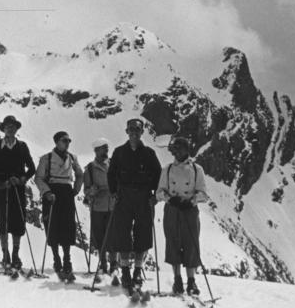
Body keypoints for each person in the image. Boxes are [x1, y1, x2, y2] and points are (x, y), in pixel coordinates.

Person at [106, 118, 162, 291]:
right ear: (127, 131)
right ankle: (125, 271)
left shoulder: (149, 154)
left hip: (144, 197)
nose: (134, 133)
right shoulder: (119, 152)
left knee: (143, 232)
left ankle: (137, 270)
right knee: (122, 232)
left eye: (137, 129)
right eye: (131, 129)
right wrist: (114, 192)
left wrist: (155, 196)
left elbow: (158, 175)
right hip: (124, 196)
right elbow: (111, 174)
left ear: (142, 132)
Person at [0, 115, 37, 271]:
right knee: (2, 221)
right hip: (2, 189)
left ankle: (15, 255)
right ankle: (6, 255)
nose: (10, 128)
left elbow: (31, 168)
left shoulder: (22, 147)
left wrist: (22, 179)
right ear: (3, 129)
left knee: (18, 221)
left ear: (16, 129)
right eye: (7, 126)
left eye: (13, 126)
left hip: (17, 188)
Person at [155, 137, 208, 295]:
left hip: (189, 210)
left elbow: (204, 194)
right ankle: (177, 279)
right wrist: (170, 199)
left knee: (191, 243)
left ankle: (191, 281)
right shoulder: (168, 169)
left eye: (179, 148)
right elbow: (159, 192)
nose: (176, 152)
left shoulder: (197, 169)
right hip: (172, 210)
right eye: (175, 149)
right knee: (173, 242)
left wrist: (191, 201)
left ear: (186, 150)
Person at [35, 131, 84, 280]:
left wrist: (76, 189)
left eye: (69, 141)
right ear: (56, 142)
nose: (67, 143)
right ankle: (56, 259)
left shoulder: (72, 157)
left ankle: (67, 260)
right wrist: (47, 192)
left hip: (66, 193)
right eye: (64, 141)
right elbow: (38, 178)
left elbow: (80, 174)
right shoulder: (46, 158)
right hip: (51, 192)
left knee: (68, 225)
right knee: (52, 224)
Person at [83, 138, 117, 284]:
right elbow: (86, 190)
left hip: (112, 205)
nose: (106, 151)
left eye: (107, 148)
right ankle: (103, 263)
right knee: (100, 235)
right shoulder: (90, 168)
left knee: (113, 234)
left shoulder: (113, 165)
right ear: (96, 151)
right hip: (98, 206)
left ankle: (113, 264)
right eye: (103, 148)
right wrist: (92, 191)